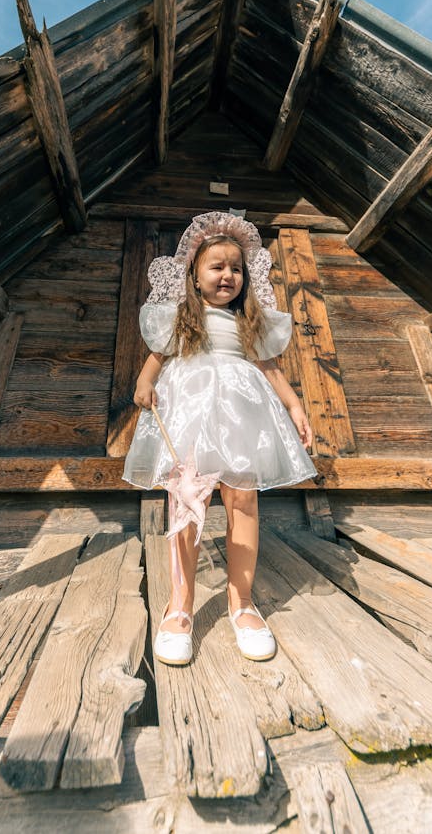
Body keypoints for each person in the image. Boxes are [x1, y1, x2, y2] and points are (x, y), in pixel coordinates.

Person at [123, 211, 314, 666]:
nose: (227, 275)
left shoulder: (248, 323)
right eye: (217, 266)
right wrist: (145, 383)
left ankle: (242, 601)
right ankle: (180, 605)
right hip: (191, 412)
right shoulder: (181, 319)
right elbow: (156, 359)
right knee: (188, 502)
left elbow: (270, 370)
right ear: (195, 273)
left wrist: (293, 406)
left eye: (236, 268)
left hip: (241, 414)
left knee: (243, 501)